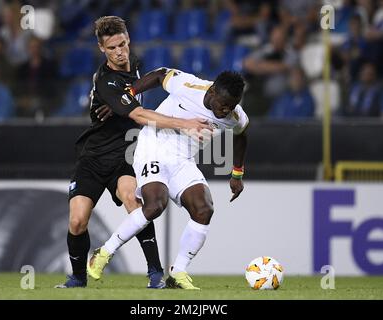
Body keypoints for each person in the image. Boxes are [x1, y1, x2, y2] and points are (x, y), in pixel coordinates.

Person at [55, 16, 210, 289]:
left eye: (123, 44)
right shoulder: (106, 80)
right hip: (93, 156)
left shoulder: (136, 66)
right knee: (78, 220)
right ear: (102, 49)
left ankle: (155, 274)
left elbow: (141, 94)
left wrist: (118, 106)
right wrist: (184, 123)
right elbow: (139, 114)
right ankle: (78, 277)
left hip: (126, 154)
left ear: (128, 39)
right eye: (112, 48)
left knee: (134, 202)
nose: (120, 52)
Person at [87, 68, 249, 290]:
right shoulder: (189, 86)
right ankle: (104, 252)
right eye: (223, 104)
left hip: (182, 160)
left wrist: (237, 173)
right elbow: (160, 74)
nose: (226, 110)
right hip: (152, 147)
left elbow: (241, 136)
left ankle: (178, 273)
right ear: (212, 91)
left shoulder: (235, 116)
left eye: (231, 106)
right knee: (155, 205)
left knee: (204, 209)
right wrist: (130, 93)